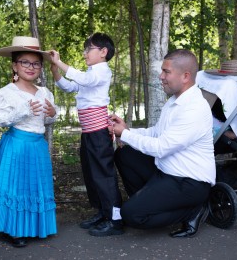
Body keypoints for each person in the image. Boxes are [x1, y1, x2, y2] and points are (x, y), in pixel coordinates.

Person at [109, 49, 216, 238]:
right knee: (125, 155)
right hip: (166, 172)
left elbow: (161, 147)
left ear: (185, 76)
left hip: (189, 182)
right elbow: (156, 133)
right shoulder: (175, 101)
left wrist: (124, 134)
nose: (161, 76)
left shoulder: (194, 109)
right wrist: (127, 130)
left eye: (166, 72)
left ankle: (193, 211)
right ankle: (149, 203)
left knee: (131, 215)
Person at [0, 36, 58, 247]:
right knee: (15, 187)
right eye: (25, 62)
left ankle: (34, 226)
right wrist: (25, 110)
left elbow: (46, 120)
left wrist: (52, 113)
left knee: (34, 187)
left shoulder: (44, 92)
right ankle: (14, 229)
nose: (31, 67)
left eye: (36, 63)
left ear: (41, 67)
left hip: (38, 146)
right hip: (16, 146)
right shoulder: (5, 93)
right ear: (14, 65)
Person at [48, 33, 123, 237]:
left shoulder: (101, 71)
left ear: (103, 52)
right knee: (91, 174)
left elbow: (82, 79)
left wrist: (60, 62)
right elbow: (70, 85)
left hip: (99, 133)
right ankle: (103, 212)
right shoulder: (91, 73)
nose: (84, 54)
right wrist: (55, 70)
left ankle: (115, 219)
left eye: (88, 49)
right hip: (89, 133)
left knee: (104, 176)